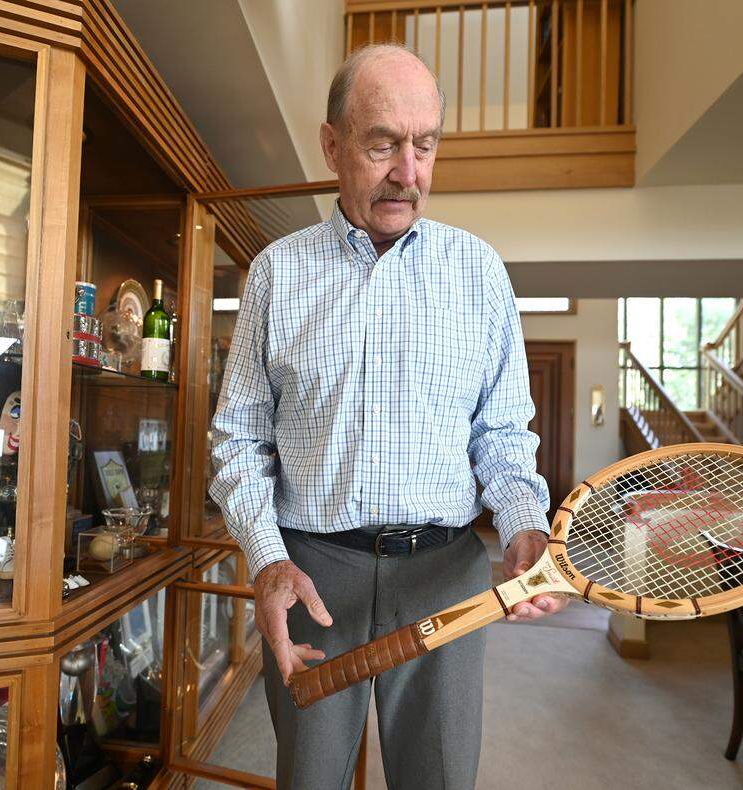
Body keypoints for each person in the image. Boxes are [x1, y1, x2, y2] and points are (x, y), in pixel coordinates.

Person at [209, 43, 567, 790]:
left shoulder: (479, 272)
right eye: (382, 145)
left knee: (437, 779)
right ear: (332, 144)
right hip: (312, 574)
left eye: (425, 145)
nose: (409, 172)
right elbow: (239, 438)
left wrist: (524, 522)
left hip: (446, 574)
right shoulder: (279, 272)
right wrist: (266, 557)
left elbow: (502, 435)